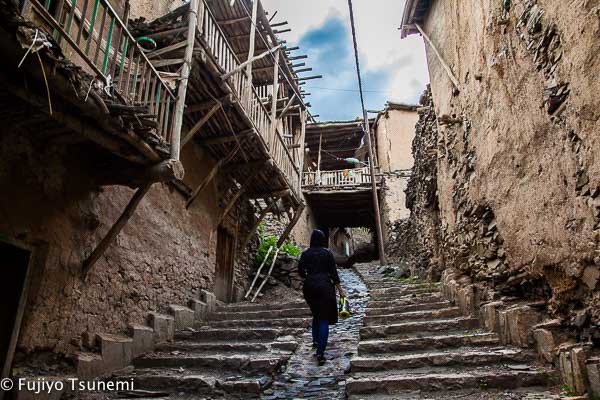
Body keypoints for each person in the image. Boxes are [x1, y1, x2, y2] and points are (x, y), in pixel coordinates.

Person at [298, 229, 346, 365]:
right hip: (325, 286)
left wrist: (309, 277)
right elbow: (334, 273)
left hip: (309, 287)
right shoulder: (327, 253)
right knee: (323, 317)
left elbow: (300, 271)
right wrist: (341, 290)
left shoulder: (306, 254)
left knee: (316, 314)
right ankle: (320, 352)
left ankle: (315, 340)